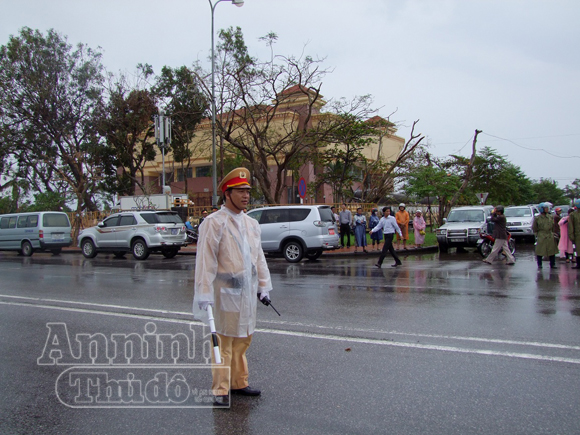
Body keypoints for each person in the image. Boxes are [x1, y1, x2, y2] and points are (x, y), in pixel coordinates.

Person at [192, 167, 273, 407]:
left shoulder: (251, 223)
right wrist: (204, 292)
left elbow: (259, 257)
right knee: (224, 341)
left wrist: (263, 285)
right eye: (240, 191)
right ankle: (220, 389)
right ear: (227, 194)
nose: (246, 196)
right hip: (225, 290)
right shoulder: (213, 223)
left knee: (243, 339)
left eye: (247, 191)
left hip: (247, 292)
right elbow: (206, 261)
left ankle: (239, 382)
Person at [532, 202, 558, 269]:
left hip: (549, 234)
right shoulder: (537, 218)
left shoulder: (550, 217)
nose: (547, 209)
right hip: (541, 235)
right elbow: (534, 227)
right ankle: (539, 264)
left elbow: (553, 226)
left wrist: (553, 233)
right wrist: (537, 234)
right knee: (540, 251)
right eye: (546, 208)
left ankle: (552, 264)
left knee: (552, 250)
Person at [568, 199, 580, 269]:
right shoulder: (573, 215)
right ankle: (578, 264)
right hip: (577, 235)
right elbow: (571, 226)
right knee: (578, 250)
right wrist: (571, 235)